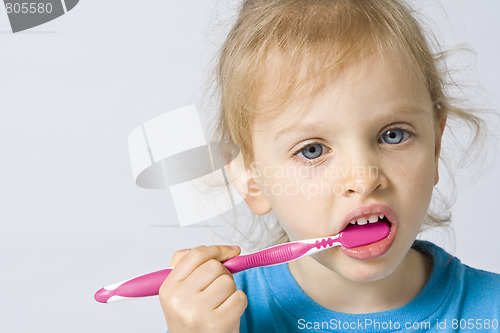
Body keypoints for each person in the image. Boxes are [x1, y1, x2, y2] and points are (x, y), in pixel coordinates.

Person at [159, 0, 500, 332]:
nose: (364, 178)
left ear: (436, 145)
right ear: (252, 180)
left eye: (393, 135)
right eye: (312, 150)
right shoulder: (223, 319)